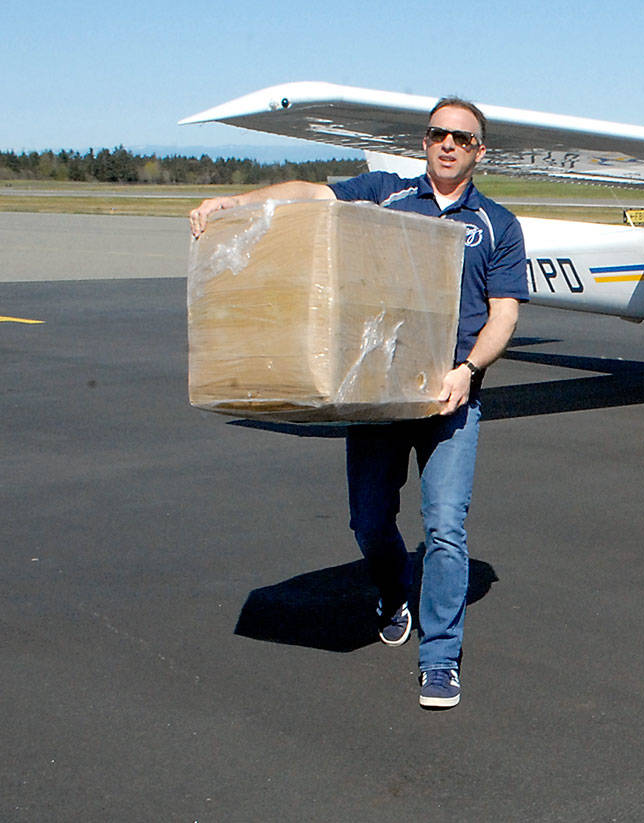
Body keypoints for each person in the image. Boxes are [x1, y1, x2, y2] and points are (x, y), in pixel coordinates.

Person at [190, 98, 528, 709]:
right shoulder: (385, 192)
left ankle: (441, 659)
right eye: (437, 134)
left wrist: (468, 369)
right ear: (424, 142)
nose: (447, 144)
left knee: (446, 529)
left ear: (480, 152)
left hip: (451, 397)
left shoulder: (499, 225)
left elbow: (504, 311)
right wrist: (237, 204)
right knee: (369, 521)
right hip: (378, 393)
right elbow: (312, 196)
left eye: (462, 138)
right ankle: (395, 590)